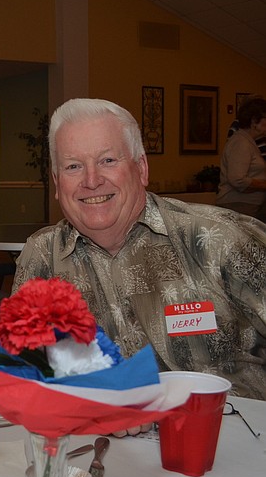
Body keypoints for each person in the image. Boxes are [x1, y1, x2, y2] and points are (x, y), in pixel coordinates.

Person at [13, 98, 266, 416]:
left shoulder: (219, 240)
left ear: (141, 168)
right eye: (73, 166)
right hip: (102, 447)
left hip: (233, 444)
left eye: (107, 160)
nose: (91, 180)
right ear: (56, 183)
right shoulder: (43, 258)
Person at [216, 96, 266, 221]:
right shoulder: (241, 142)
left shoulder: (248, 142)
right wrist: (264, 185)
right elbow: (237, 179)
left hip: (245, 205)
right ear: (254, 121)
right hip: (239, 206)